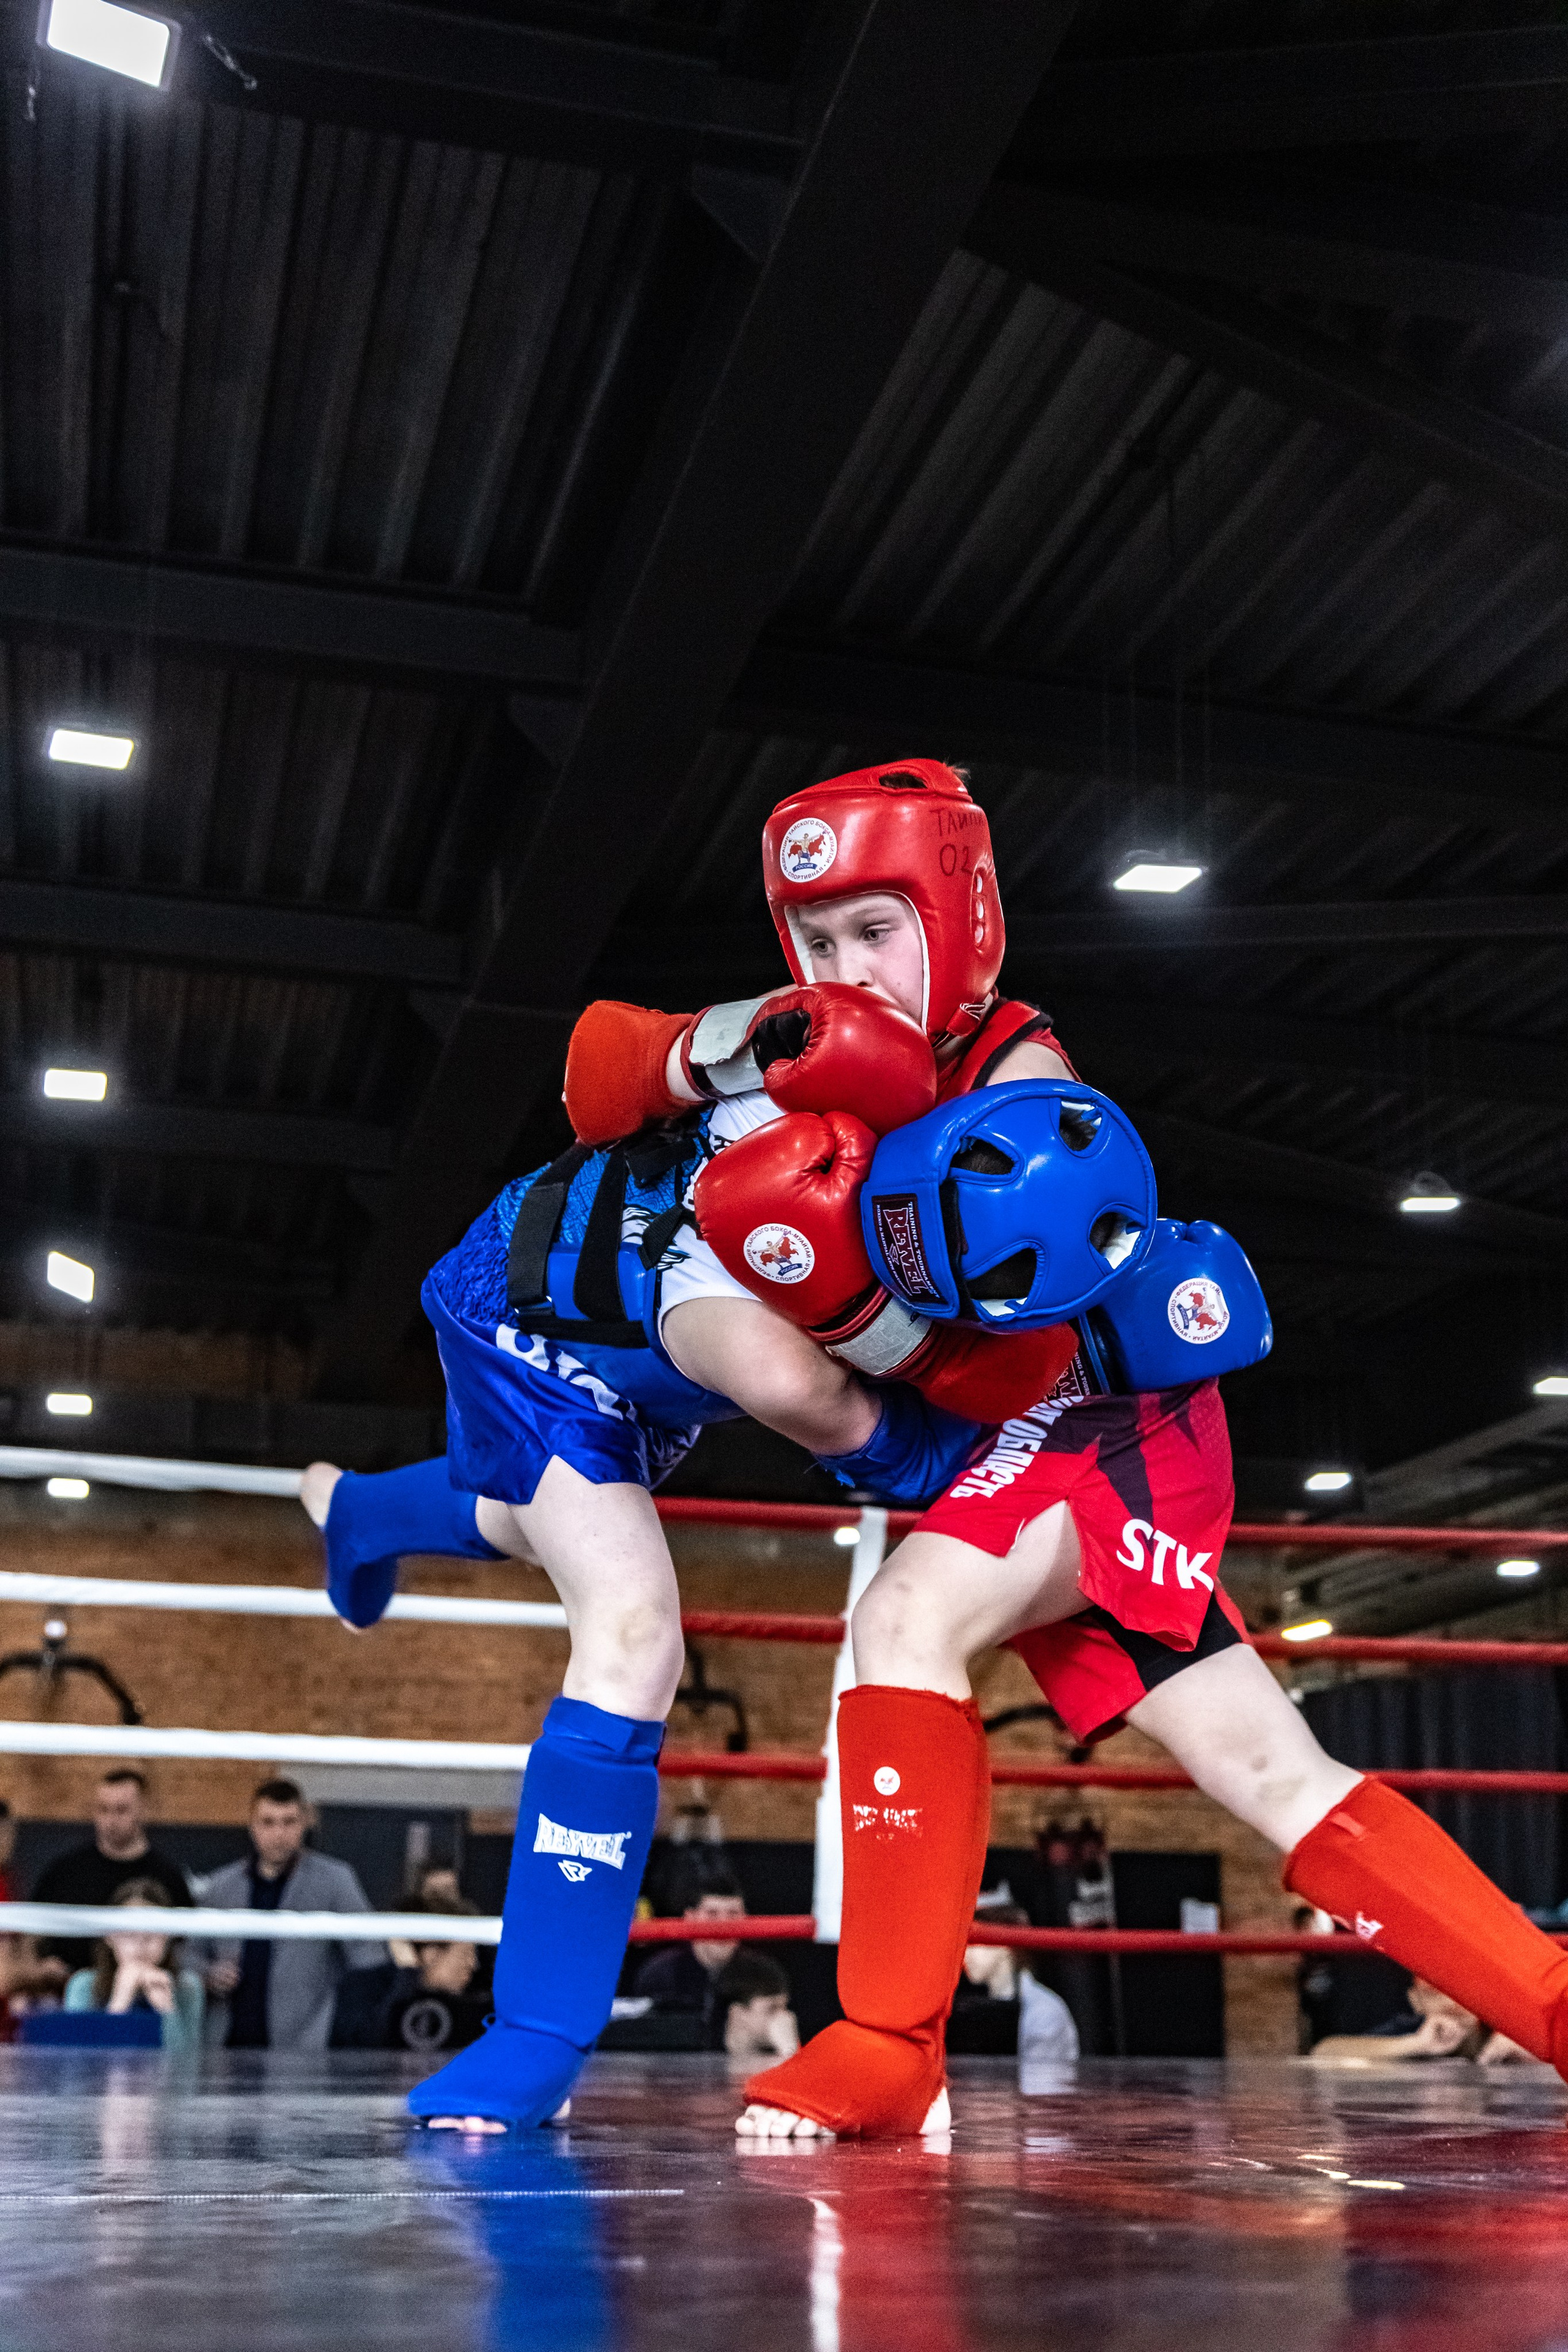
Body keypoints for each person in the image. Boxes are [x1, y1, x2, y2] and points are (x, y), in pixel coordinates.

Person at [707, 761, 1568, 2138]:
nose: (846, 969)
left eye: (874, 930)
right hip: (1035, 1442)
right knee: (1269, 1772)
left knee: (905, 1618)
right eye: (817, 941)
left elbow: (1009, 1334)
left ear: (958, 918)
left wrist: (840, 1294)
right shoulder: (824, 1089)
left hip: (1106, 1420)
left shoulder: (1016, 1070)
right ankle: (1553, 2005)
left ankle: (887, 2041)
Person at [192, 1779, 384, 2052]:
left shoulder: (335, 1881)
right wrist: (210, 1974)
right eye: (268, 1822)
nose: (279, 1833)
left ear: (304, 1824)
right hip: (227, 2046)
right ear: (252, 1827)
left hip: (307, 2047)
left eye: (289, 1822)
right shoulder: (222, 1886)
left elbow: (369, 1960)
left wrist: (338, 2027)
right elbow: (189, 1956)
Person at [31, 1770, 192, 1969]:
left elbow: (185, 1947)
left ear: (144, 1810)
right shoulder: (64, 1872)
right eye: (103, 1809)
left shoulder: (168, 1877)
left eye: (121, 1810)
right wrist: (39, 1970)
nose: (111, 1820)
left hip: (149, 1983)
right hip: (67, 1985)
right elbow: (30, 1936)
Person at [62, 1879, 205, 2051]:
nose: (140, 1944)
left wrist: (166, 2010)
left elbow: (187, 2059)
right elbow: (77, 2059)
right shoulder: (83, 1985)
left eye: (151, 1933)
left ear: (167, 1937)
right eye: (130, 1934)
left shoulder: (187, 1986)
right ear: (110, 1936)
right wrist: (119, 2003)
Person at [949, 1903, 1079, 2064]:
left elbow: (1041, 2078)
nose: (965, 1954)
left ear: (1005, 1945)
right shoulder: (983, 2006)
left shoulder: (1044, 2011)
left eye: (975, 1942)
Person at [0, 1800, 67, 2039]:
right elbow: (3, 1977)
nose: (5, 1841)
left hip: (13, 2030)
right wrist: (40, 1973)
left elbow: (22, 1945)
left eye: (7, 1832)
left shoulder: (10, 1881)